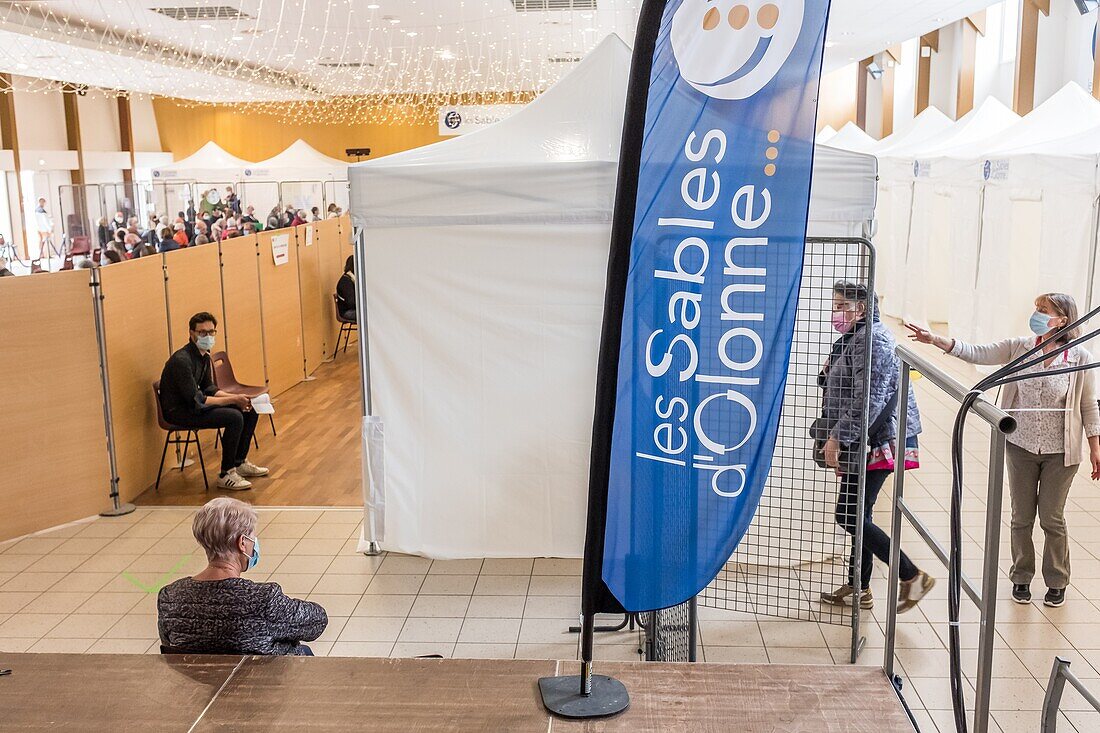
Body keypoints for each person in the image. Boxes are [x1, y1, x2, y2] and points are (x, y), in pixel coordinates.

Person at [907, 292, 1100, 607]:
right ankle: (1021, 576)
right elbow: (978, 353)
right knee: (1021, 516)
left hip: (1061, 453)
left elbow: (1088, 405)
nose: (1036, 314)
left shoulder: (1079, 358)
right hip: (1020, 445)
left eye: (1044, 310)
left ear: (1063, 319)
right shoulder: (1020, 348)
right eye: (1036, 309)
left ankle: (1057, 579)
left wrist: (1095, 447)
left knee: (1051, 517)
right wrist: (935, 340)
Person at [819, 282, 934, 612]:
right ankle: (861, 588)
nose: (835, 312)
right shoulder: (855, 338)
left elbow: (870, 398)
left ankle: (911, 576)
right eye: (835, 305)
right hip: (864, 439)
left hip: (878, 440)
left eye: (842, 306)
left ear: (863, 308)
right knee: (859, 513)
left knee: (849, 514)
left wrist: (838, 436)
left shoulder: (874, 339)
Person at [158, 497, 327, 655]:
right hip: (259, 682)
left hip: (200, 683)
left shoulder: (170, 597)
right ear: (242, 543)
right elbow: (317, 622)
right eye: (253, 538)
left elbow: (169, 644)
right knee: (303, 651)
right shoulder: (263, 599)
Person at [159, 312, 268, 490]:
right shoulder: (182, 361)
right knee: (234, 416)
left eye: (211, 332)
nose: (207, 336)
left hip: (195, 405)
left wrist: (240, 399)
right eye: (202, 332)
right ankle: (226, 473)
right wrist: (233, 399)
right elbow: (197, 399)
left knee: (250, 408)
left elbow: (209, 388)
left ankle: (239, 462)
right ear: (191, 333)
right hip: (181, 412)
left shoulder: (203, 356)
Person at [335, 255, 356, 322]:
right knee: (371, 314)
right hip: (347, 312)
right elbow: (351, 303)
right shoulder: (345, 282)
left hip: (352, 309)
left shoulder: (351, 279)